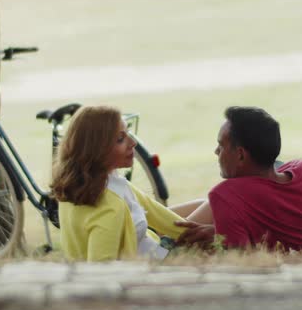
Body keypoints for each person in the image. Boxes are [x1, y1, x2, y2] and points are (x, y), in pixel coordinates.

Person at [51, 106, 202, 262]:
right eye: (120, 139)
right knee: (210, 205)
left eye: (128, 133)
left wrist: (200, 236)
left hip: (155, 248)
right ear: (96, 150)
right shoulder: (109, 208)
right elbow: (99, 272)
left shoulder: (91, 184)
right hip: (153, 268)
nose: (133, 142)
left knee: (205, 206)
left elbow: (153, 210)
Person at [175, 106, 302, 251]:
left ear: (240, 155)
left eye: (221, 146)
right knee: (209, 204)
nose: (216, 151)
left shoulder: (226, 195)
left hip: (285, 264)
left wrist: (220, 238)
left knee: (181, 230)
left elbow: (240, 258)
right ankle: (150, 213)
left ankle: (152, 223)